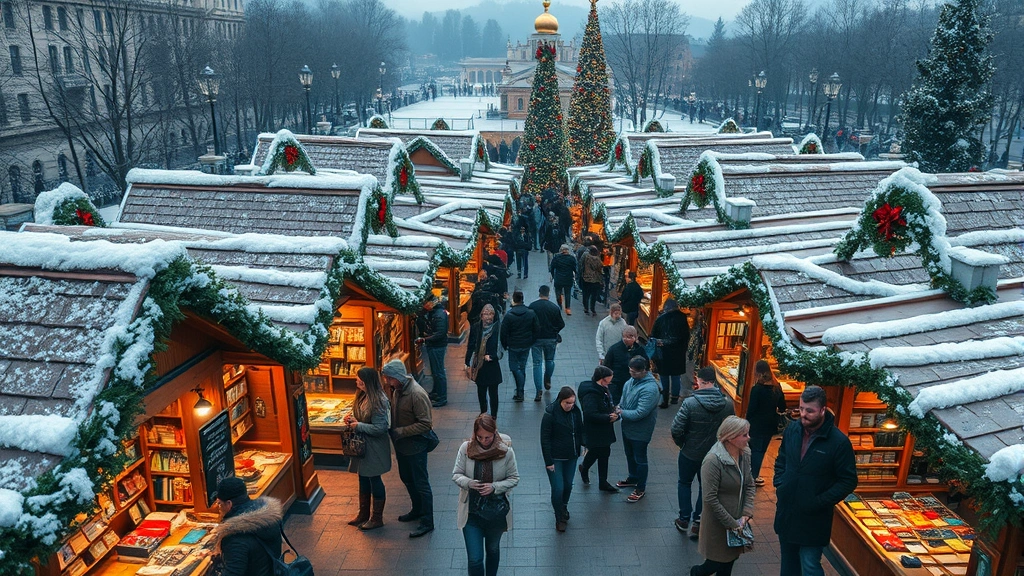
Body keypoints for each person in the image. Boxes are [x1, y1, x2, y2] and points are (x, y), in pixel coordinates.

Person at [774, 385, 857, 576]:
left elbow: (848, 480)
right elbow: (782, 459)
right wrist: (781, 482)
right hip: (787, 513)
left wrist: (819, 501)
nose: (803, 414)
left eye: (809, 411)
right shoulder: (792, 430)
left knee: (810, 566)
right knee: (788, 566)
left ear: (822, 410)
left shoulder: (839, 442)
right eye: (801, 408)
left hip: (814, 519)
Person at [672, 366, 735, 540]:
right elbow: (731, 430)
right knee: (705, 487)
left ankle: (684, 519)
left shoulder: (690, 403)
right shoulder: (727, 404)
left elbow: (676, 429)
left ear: (699, 381)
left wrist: (682, 444)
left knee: (684, 483)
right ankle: (698, 522)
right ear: (714, 382)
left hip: (690, 453)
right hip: (713, 455)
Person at [453, 414, 520, 576]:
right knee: (475, 559)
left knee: (492, 550)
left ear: (495, 433)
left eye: (488, 437)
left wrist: (494, 487)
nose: (484, 441)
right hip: (471, 513)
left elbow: (514, 478)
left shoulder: (506, 452)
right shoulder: (466, 449)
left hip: (495, 511)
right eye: (480, 437)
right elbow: (456, 474)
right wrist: (469, 483)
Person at [691, 416, 756, 576]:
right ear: (731, 437)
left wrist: (746, 513)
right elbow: (710, 498)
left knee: (729, 562)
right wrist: (732, 523)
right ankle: (696, 573)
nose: (749, 438)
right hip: (718, 524)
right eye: (745, 435)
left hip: (737, 520)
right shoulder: (713, 461)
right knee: (715, 563)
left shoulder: (745, 453)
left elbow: (750, 483)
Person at [381, 359, 436, 538]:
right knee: (407, 478)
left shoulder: (416, 394)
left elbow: (426, 424)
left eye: (390, 378)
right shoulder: (398, 390)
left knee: (421, 483)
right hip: (402, 446)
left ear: (398, 377)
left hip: (415, 446)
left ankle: (427, 521)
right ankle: (417, 509)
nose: (387, 382)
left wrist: (401, 431)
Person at [343, 367, 393, 531]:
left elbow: (380, 428)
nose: (355, 380)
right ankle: (363, 514)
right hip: (363, 446)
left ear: (365, 381)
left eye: (358, 378)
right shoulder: (362, 395)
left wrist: (359, 425)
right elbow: (360, 415)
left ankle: (377, 518)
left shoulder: (379, 400)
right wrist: (351, 419)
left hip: (374, 448)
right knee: (363, 478)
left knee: (374, 479)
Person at [213, 477, 282, 576]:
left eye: (219, 503)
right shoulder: (269, 519)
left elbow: (233, 573)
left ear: (229, 504)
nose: (218, 508)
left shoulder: (235, 537)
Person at [616, 356, 660, 503]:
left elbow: (641, 412)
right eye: (630, 371)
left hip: (641, 431)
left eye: (635, 372)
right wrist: (620, 407)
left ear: (645, 371)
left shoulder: (650, 389)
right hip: (627, 427)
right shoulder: (631, 381)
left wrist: (621, 413)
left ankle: (640, 488)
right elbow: (623, 398)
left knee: (640, 459)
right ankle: (632, 477)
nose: (631, 374)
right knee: (629, 454)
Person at [540, 386, 584, 532]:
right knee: (558, 487)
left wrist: (583, 444)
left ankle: (563, 506)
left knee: (568, 485)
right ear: (560, 400)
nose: (570, 406)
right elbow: (544, 439)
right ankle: (559, 517)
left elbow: (579, 430)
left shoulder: (575, 412)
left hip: (571, 455)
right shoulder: (550, 414)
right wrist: (548, 462)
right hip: (556, 457)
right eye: (567, 403)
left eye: (572, 403)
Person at [577, 365, 619, 492]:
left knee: (604, 453)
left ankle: (602, 481)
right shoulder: (591, 394)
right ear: (602, 379)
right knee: (596, 452)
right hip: (596, 430)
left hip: (603, 428)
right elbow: (590, 414)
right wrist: (608, 417)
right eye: (609, 380)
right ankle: (585, 469)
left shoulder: (601, 389)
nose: (610, 382)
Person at [745, 360, 787, 486]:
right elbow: (782, 407)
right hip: (770, 425)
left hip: (756, 425)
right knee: (761, 450)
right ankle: (754, 475)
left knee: (754, 450)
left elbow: (751, 409)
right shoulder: (776, 387)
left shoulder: (756, 389)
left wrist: (746, 422)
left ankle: (751, 476)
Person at [499, 290, 539, 402]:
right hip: (526, 345)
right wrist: (531, 341)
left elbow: (503, 332)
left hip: (513, 346)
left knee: (514, 368)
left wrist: (505, 344)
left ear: (514, 300)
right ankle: (520, 391)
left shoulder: (509, 316)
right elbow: (536, 329)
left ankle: (520, 391)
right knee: (522, 367)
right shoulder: (531, 313)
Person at [651, 299, 691, 408]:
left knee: (664, 376)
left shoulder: (661, 319)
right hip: (678, 353)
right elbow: (686, 335)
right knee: (675, 376)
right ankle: (674, 398)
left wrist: (660, 343)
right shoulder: (682, 318)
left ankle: (665, 399)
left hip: (663, 352)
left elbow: (653, 336)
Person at [466, 304, 502, 418]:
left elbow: (501, 346)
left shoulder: (498, 328)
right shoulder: (476, 327)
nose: (488, 317)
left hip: (492, 365)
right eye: (486, 314)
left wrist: (493, 357)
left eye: (491, 314)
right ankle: (483, 412)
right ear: (481, 316)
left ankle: (494, 415)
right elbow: (471, 345)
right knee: (481, 391)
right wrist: (467, 362)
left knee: (493, 392)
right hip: (479, 365)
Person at [529, 285, 565, 400]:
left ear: (539, 293)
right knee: (549, 360)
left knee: (537, 364)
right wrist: (554, 331)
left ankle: (538, 390)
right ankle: (548, 378)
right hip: (550, 338)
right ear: (548, 293)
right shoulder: (554, 307)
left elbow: (528, 322)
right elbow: (561, 324)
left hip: (536, 339)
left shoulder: (532, 306)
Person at [416, 294, 450, 408]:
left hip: (437, 346)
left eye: (425, 303)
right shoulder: (434, 313)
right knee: (435, 371)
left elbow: (440, 333)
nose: (424, 305)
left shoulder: (439, 314)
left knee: (439, 371)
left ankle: (442, 397)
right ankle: (436, 392)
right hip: (434, 345)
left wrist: (425, 339)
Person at [602, 325, 648, 404]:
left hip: (635, 383)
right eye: (625, 336)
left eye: (630, 337)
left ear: (635, 338)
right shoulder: (614, 349)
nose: (627, 339)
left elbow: (646, 366)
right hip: (617, 384)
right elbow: (606, 366)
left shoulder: (640, 350)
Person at [549, 244, 577, 315]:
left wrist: (552, 276)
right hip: (568, 278)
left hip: (558, 278)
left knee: (558, 292)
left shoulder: (556, 258)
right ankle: (568, 308)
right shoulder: (571, 258)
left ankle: (560, 304)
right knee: (567, 293)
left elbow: (552, 267)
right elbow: (575, 268)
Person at [580, 245, 604, 316]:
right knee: (593, 295)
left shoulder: (586, 257)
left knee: (585, 294)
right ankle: (593, 309)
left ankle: (586, 308)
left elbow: (581, 265)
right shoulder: (598, 260)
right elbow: (600, 269)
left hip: (586, 278)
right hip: (596, 280)